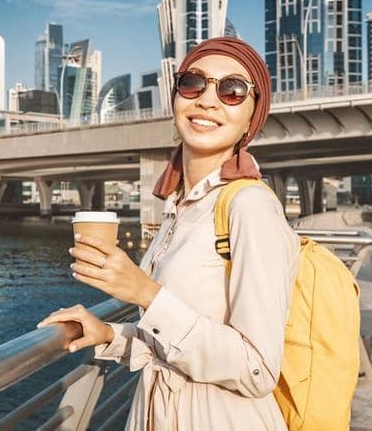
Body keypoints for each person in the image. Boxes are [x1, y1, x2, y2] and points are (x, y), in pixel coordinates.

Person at [38, 37, 300, 430]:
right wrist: (109, 334)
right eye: (194, 83)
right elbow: (174, 342)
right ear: (176, 97)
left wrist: (145, 292)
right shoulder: (181, 206)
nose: (208, 100)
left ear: (251, 118)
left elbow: (257, 369)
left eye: (232, 90)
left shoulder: (251, 207)